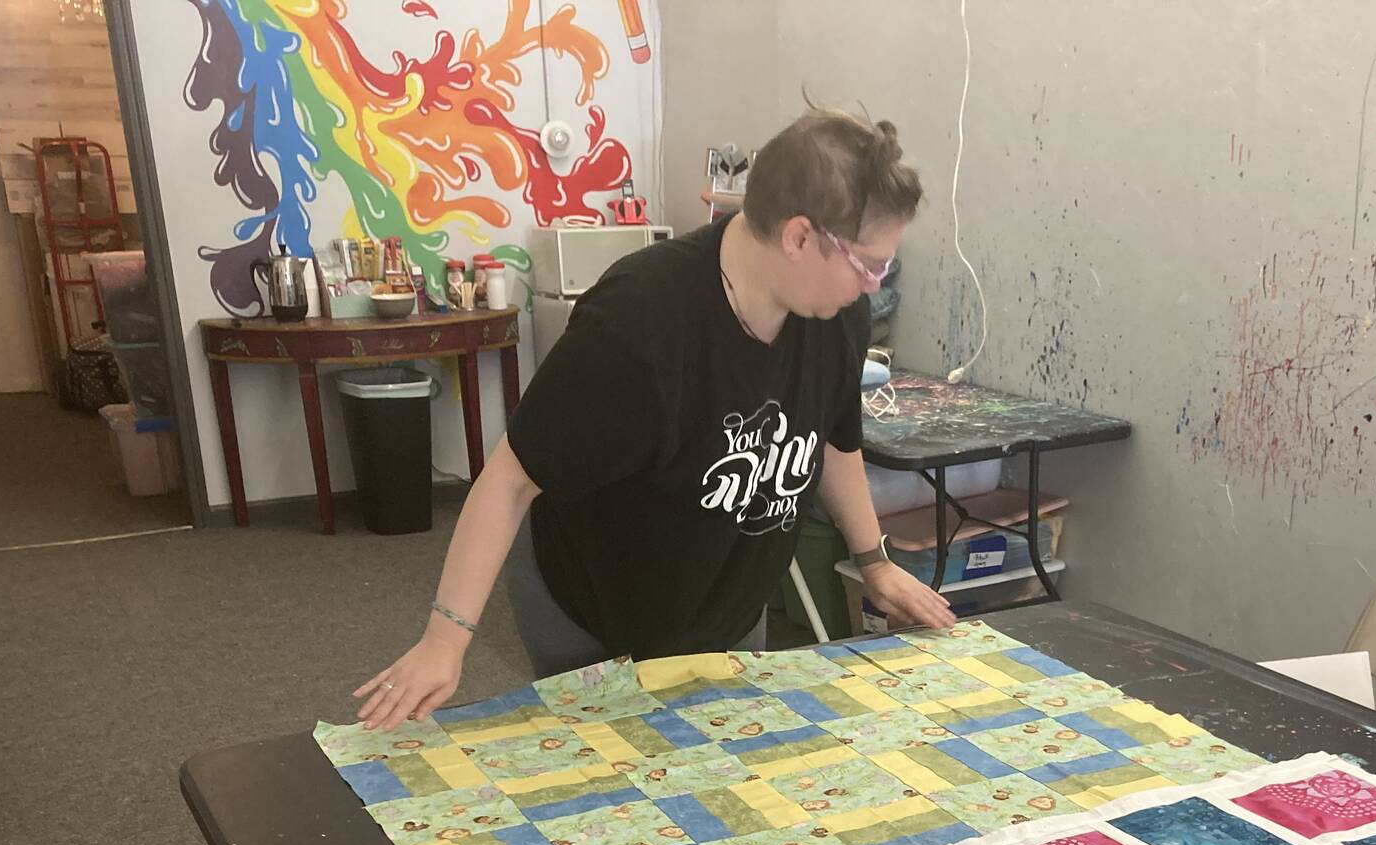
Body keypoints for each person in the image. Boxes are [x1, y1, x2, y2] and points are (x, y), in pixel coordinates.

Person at [354, 108, 955, 730]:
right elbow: (510, 480)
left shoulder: (836, 315)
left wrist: (875, 562)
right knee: (600, 783)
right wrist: (444, 644)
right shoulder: (639, 321)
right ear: (800, 237)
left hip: (724, 602)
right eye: (870, 265)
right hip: (597, 608)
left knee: (715, 778)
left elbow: (834, 441)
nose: (874, 287)